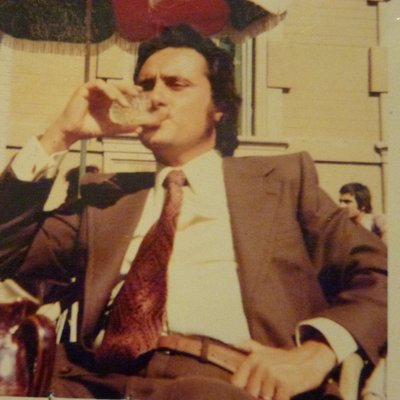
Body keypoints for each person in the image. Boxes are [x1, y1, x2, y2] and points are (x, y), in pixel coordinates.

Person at [0, 24, 387, 400]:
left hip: (227, 382)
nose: (155, 97)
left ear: (219, 107)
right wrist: (59, 136)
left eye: (176, 84)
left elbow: (382, 272)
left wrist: (317, 352)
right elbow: (8, 254)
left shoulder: (282, 182)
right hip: (94, 382)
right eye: (146, 85)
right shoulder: (108, 197)